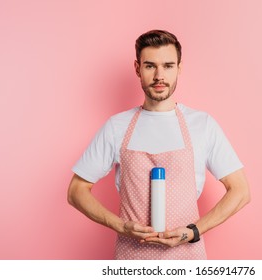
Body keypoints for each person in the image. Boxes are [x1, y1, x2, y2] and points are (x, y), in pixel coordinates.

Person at [67, 30, 250, 260]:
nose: (159, 76)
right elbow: (76, 191)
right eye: (150, 66)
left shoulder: (202, 125)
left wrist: (192, 231)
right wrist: (121, 226)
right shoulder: (116, 126)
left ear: (179, 69)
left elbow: (241, 191)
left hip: (187, 260)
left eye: (168, 66)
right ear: (137, 68)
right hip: (131, 260)